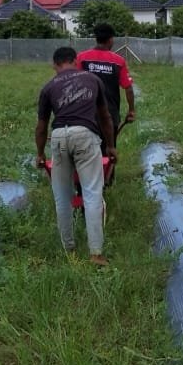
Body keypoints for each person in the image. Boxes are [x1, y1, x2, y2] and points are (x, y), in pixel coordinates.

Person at [35, 45, 116, 265]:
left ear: (55, 64)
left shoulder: (49, 87)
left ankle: (69, 250)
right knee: (92, 193)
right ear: (75, 60)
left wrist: (41, 153)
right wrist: (110, 146)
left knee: (62, 197)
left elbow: (42, 127)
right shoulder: (92, 80)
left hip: (59, 137)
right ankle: (96, 253)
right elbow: (105, 117)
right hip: (85, 136)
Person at [76, 23, 136, 148]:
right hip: (110, 115)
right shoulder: (118, 61)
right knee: (109, 152)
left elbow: (73, 83)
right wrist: (131, 110)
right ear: (110, 39)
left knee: (87, 153)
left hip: (85, 115)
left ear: (96, 38)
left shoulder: (81, 58)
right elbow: (128, 88)